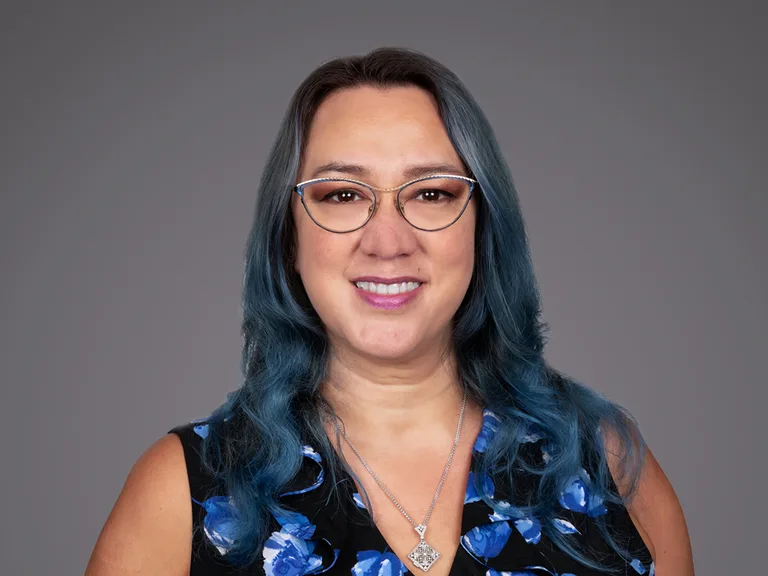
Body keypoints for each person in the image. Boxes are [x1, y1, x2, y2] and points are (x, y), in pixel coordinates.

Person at [86, 48, 694, 576]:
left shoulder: (604, 462)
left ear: (482, 227)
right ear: (289, 236)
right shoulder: (181, 492)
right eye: (342, 194)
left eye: (430, 193)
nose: (387, 241)